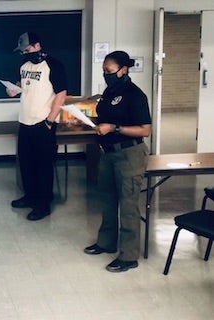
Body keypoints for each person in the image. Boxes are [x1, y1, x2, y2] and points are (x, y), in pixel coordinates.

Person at [84, 50, 151, 272]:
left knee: (129, 206)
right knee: (107, 200)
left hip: (129, 155)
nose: (106, 74)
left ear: (123, 70)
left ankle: (129, 256)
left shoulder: (135, 95)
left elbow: (146, 130)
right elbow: (106, 117)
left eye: (109, 71)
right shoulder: (109, 92)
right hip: (108, 153)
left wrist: (115, 128)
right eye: (104, 71)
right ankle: (106, 242)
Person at [7, 32, 68, 221]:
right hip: (24, 121)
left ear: (38, 46)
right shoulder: (24, 65)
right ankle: (30, 197)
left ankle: (43, 205)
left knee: (43, 166)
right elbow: (23, 85)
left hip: (43, 123)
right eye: (22, 51)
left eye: (28, 49)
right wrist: (13, 90)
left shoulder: (53, 65)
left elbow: (62, 94)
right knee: (26, 163)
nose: (25, 53)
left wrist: (50, 119)